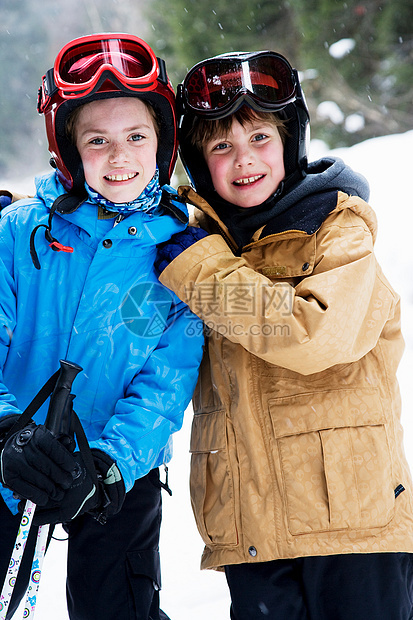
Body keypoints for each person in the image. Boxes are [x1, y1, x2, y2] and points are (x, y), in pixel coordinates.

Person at [156, 51, 413, 619]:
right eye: (221, 146)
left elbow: (312, 334)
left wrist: (204, 270)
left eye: (260, 137)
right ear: (199, 163)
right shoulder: (195, 246)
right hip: (252, 530)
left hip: (353, 528)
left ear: (290, 140)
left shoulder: (339, 232)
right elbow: (120, 316)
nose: (243, 159)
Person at [0, 33, 204, 620]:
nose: (120, 157)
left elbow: (168, 380)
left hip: (118, 471)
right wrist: (8, 431)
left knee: (117, 607)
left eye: (136, 137)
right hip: (14, 456)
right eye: (98, 140)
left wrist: (112, 464)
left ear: (162, 143)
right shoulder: (21, 233)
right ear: (68, 148)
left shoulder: (183, 252)